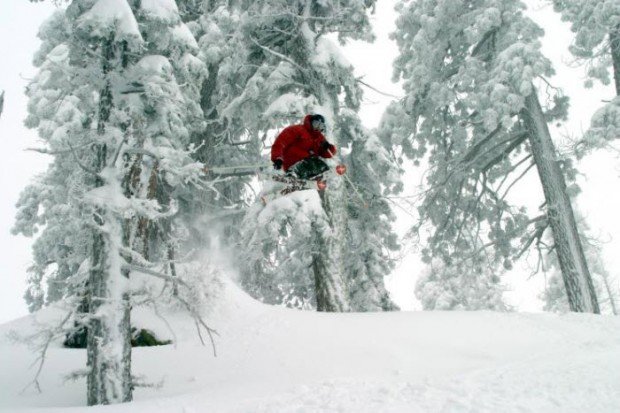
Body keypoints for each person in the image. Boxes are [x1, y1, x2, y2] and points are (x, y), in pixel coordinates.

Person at [271, 114, 337, 180]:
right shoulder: (297, 129)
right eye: (316, 124)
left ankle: (317, 179)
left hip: (310, 163)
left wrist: (328, 147)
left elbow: (326, 154)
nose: (317, 128)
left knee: (321, 165)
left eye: (320, 126)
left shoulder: (319, 137)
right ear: (311, 122)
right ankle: (293, 175)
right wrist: (277, 158)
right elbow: (280, 143)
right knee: (309, 163)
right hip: (294, 161)